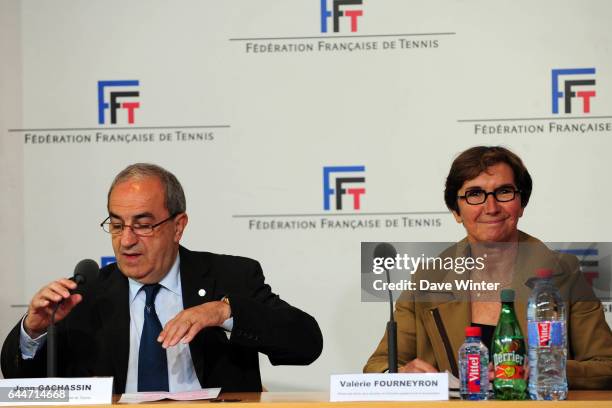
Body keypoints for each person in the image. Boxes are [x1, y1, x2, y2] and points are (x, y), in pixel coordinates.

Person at [1, 163, 323, 393]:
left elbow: (306, 343)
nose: (126, 240)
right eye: (116, 224)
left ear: (178, 226)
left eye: (143, 225)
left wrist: (225, 312)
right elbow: (20, 381)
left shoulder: (230, 277)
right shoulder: (86, 294)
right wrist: (34, 331)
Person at [363, 146, 612, 389]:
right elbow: (380, 364)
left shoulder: (561, 273)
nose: (491, 208)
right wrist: (401, 374)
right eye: (474, 194)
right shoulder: (429, 278)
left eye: (504, 192)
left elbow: (605, 365)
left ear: (521, 203)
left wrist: (544, 369)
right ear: (456, 210)